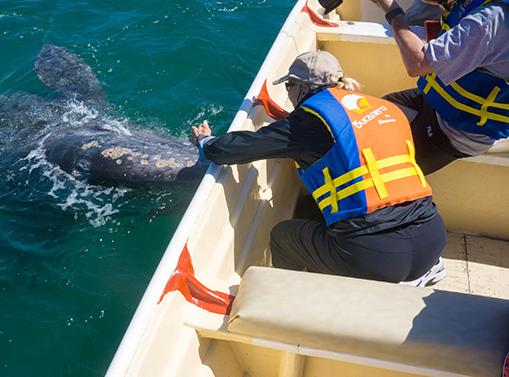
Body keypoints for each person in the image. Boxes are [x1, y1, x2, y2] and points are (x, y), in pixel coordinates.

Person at [191, 51, 447, 286]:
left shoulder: (309, 123)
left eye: (289, 86)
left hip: (377, 258)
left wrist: (205, 142)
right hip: (433, 238)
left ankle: (290, 299)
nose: (288, 93)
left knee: (283, 236)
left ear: (304, 88)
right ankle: (424, 270)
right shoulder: (380, 106)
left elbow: (233, 149)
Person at [369, 0, 509, 174]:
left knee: (380, 168)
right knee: (369, 120)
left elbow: (417, 63)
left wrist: (392, 10)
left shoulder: (489, 19)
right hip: (440, 102)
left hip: (459, 130)